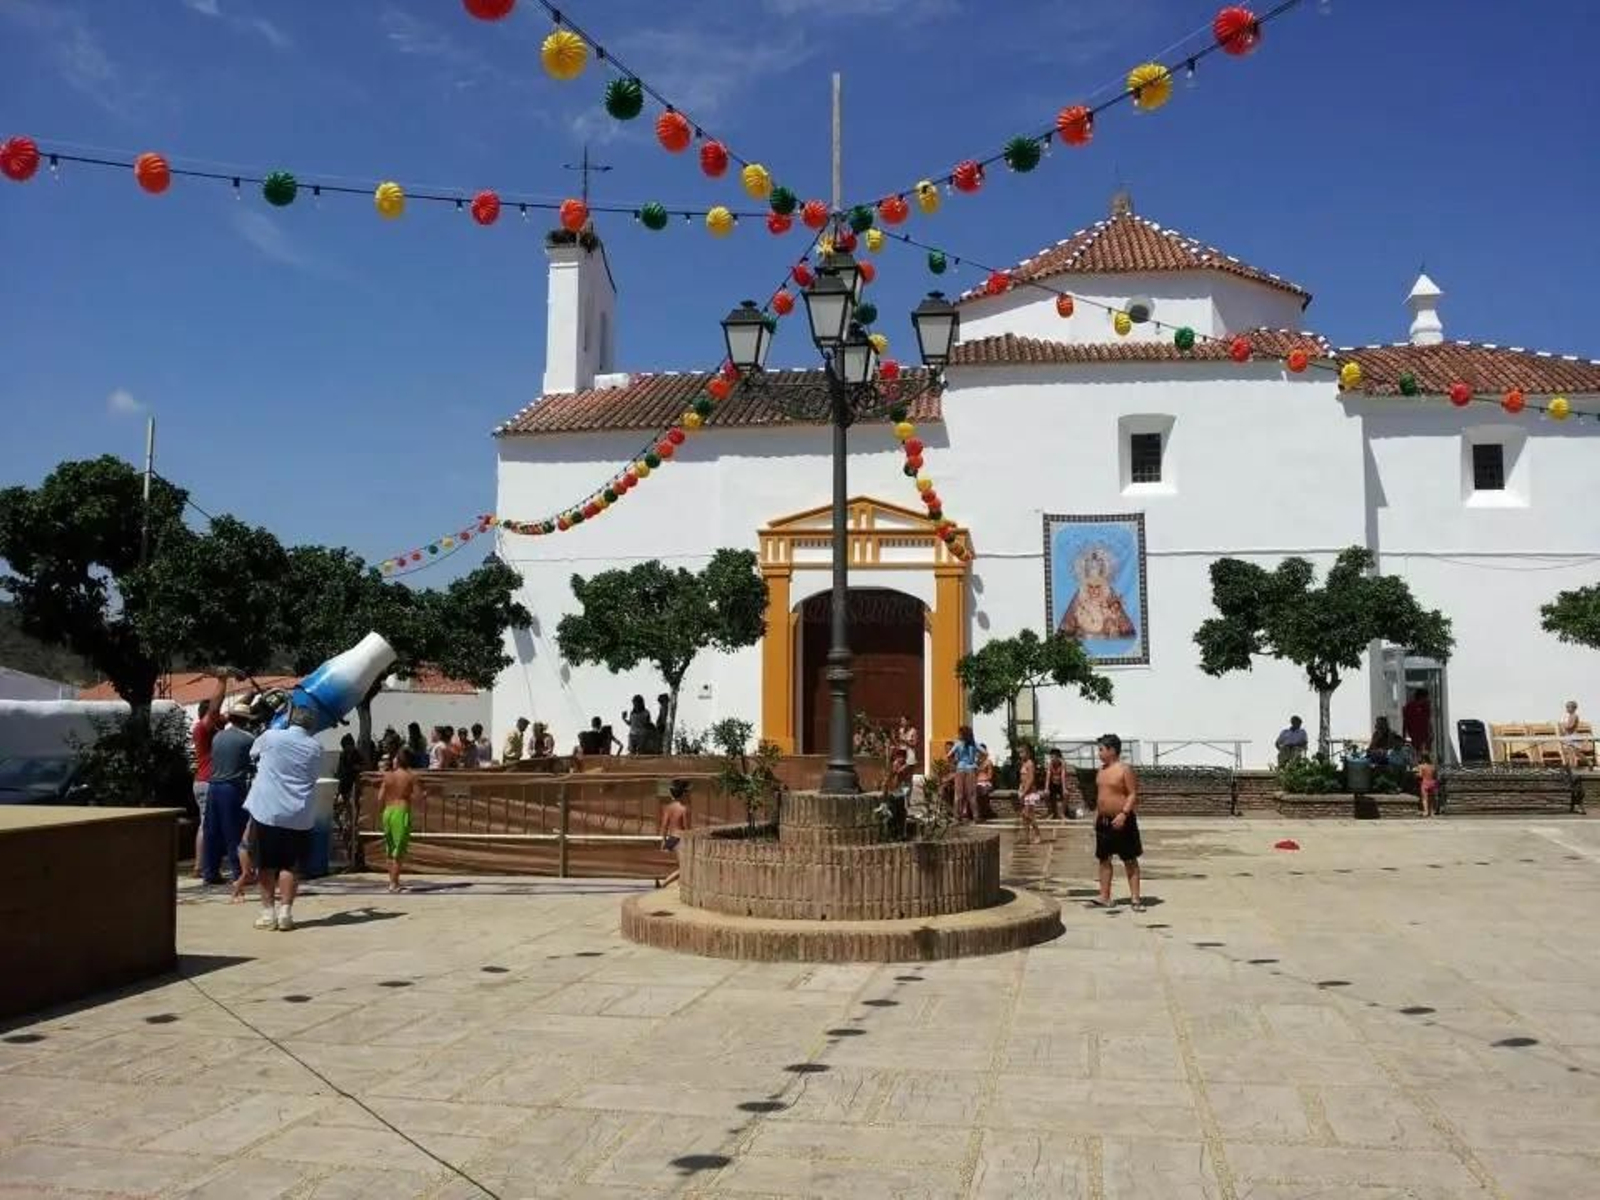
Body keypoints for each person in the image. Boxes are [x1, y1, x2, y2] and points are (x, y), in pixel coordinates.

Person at [244, 705, 324, 932]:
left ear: (291, 720)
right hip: (298, 813)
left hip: (268, 810)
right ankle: (286, 912)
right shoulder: (316, 747)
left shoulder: (271, 737)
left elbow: (253, 753)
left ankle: (268, 913)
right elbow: (314, 775)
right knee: (290, 865)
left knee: (266, 864)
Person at [202, 701, 256, 885]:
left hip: (213, 786)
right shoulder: (248, 739)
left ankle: (209, 872)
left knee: (212, 831)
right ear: (246, 721)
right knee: (235, 831)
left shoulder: (218, 736)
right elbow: (255, 762)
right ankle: (239, 872)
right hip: (232, 787)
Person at [1092, 733, 1143, 911]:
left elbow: (1132, 794)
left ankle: (1135, 898)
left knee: (1129, 859)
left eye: (1101, 749)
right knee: (1104, 859)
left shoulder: (1124, 770)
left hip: (1122, 820)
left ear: (1112, 750)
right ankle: (1104, 896)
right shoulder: (1101, 770)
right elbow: (1101, 796)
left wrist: (1124, 813)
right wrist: (1097, 814)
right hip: (1104, 822)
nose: (1098, 753)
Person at [190, 670, 232, 877]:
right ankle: (200, 866)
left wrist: (251, 696)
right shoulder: (203, 729)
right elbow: (216, 708)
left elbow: (230, 715)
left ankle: (204, 865)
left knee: (208, 823)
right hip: (207, 781)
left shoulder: (213, 729)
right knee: (206, 824)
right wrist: (222, 681)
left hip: (206, 781)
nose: (220, 715)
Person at [377, 752, 422, 893]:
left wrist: (381, 812)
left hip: (388, 811)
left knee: (390, 848)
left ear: (397, 762)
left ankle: (392, 881)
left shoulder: (388, 776)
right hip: (401, 811)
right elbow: (418, 797)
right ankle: (394, 883)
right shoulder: (410, 776)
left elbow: (380, 797)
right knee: (399, 849)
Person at [949, 726, 980, 821]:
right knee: (972, 795)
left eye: (959, 733)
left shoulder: (958, 744)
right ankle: (976, 816)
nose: (958, 735)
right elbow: (985, 752)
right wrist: (978, 762)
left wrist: (954, 763)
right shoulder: (974, 744)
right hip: (971, 769)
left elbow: (949, 755)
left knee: (958, 794)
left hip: (960, 769)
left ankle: (957, 816)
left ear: (962, 734)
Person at [1016, 743, 1041, 844]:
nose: (1021, 755)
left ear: (1028, 753)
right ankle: (1026, 837)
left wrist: (1024, 792)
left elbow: (1030, 779)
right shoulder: (1023, 763)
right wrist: (1020, 789)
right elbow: (1023, 779)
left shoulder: (1030, 763)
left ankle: (1037, 834)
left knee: (1029, 815)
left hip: (1029, 793)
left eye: (1022, 752)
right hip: (1024, 791)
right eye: (1020, 753)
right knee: (1024, 816)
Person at [659, 779, 690, 851]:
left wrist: (663, 840)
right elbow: (686, 827)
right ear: (682, 794)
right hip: (680, 838)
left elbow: (664, 825)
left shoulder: (667, 808)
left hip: (671, 839)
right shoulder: (684, 809)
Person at [1402, 689, 1433, 758]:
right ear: (1421, 697)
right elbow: (1405, 722)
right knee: (1415, 754)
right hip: (1413, 735)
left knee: (1425, 754)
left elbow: (1428, 720)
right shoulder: (1409, 706)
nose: (1427, 699)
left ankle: (1425, 765)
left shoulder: (1426, 706)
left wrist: (1431, 732)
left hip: (1425, 735)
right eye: (1426, 697)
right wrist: (1404, 736)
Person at [335, 732, 362, 811]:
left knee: (351, 804)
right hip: (343, 783)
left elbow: (365, 765)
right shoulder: (343, 755)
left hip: (353, 783)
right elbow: (340, 769)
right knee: (342, 804)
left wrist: (357, 767)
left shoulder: (356, 754)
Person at [1045, 747, 1074, 819]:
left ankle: (1062, 813)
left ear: (1058, 757)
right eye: (1051, 757)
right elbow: (1048, 777)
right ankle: (1051, 812)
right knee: (1046, 794)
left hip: (1060, 784)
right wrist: (1046, 788)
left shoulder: (1062, 764)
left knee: (1066, 794)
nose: (1051, 758)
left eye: (1053, 757)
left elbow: (1063, 776)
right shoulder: (1049, 764)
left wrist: (1064, 789)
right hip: (1052, 784)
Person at [1560, 699, 1584, 768]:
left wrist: (1563, 726)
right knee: (1570, 751)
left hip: (1573, 736)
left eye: (1568, 707)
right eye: (1566, 707)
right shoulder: (1569, 716)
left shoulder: (1574, 716)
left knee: (1575, 752)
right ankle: (1571, 764)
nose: (1567, 709)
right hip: (1569, 736)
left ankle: (1574, 764)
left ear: (1573, 708)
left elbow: (1570, 726)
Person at [975, 745, 996, 821]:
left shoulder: (988, 762)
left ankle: (983, 812)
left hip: (986, 782)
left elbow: (990, 776)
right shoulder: (976, 762)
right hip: (976, 783)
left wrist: (981, 780)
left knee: (981, 791)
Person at [1418, 753, 1438, 817]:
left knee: (1424, 798)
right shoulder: (1433, 766)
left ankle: (1426, 811)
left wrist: (1416, 774)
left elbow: (1420, 775)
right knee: (1431, 798)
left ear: (1423, 759)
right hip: (1432, 782)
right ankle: (1431, 812)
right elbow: (1435, 775)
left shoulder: (1421, 766)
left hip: (1425, 782)